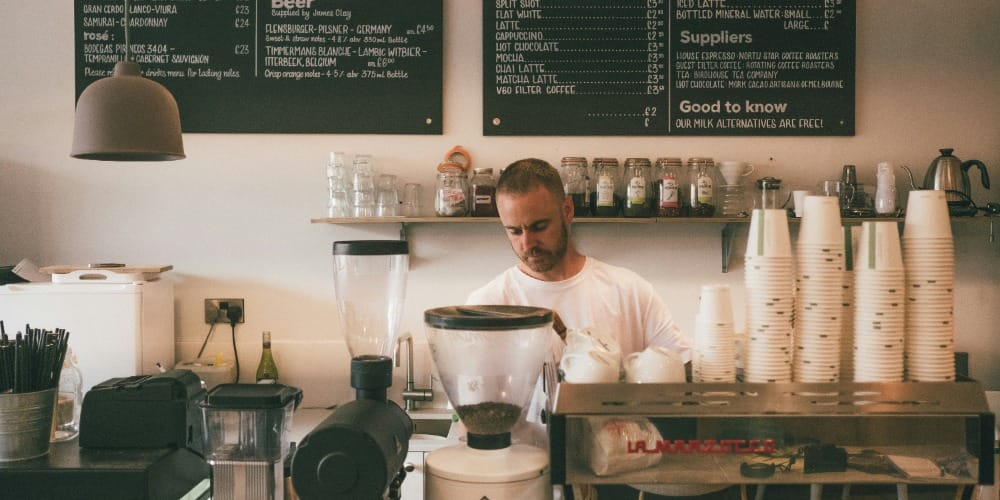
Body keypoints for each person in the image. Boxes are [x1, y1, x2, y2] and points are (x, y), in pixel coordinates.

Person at [467, 158, 737, 499]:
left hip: (619, 480)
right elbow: (474, 410)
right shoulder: (489, 304)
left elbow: (684, 371)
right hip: (527, 480)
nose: (527, 243)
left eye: (538, 226)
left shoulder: (628, 290)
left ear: (567, 210)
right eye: (514, 231)